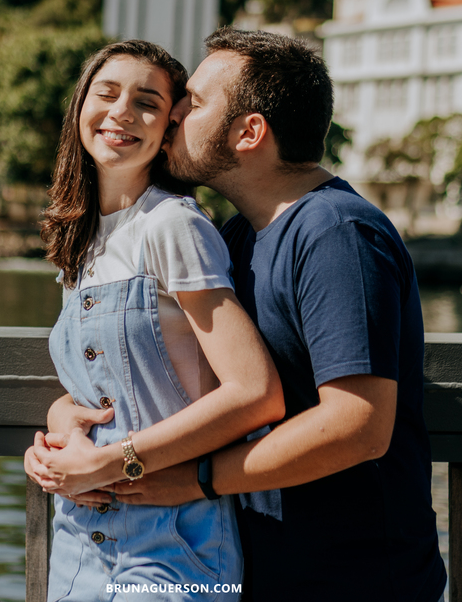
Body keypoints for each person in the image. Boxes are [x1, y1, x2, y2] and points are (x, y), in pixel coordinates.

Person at [31, 28, 447, 601]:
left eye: (192, 104)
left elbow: (360, 425)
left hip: (354, 577)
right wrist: (64, 419)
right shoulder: (242, 238)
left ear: (250, 132)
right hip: (265, 568)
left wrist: (195, 478)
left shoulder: (337, 233)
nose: (174, 114)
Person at [30, 39, 285, 602]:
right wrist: (59, 428)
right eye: (108, 92)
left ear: (169, 127)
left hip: (172, 547)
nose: (122, 112)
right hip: (79, 543)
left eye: (146, 102)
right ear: (80, 107)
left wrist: (108, 460)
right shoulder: (82, 242)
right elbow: (102, 385)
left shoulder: (174, 226)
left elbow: (255, 393)